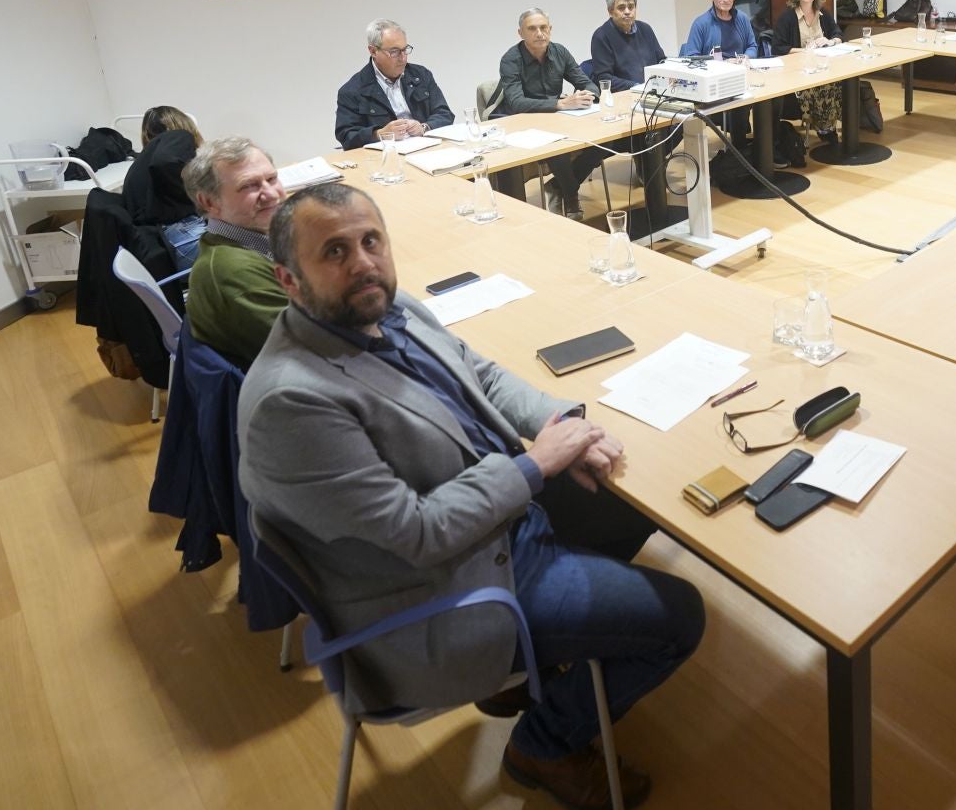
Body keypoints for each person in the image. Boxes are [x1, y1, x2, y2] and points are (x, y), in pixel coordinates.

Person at [237, 185, 703, 807]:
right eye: (335, 251)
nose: (363, 263)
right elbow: (418, 533)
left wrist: (561, 424)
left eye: (371, 241)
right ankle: (545, 743)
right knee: (682, 617)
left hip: (497, 518)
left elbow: (478, 372)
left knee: (632, 492)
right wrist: (538, 466)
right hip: (447, 592)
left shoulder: (383, 308)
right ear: (289, 280)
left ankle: (548, 660)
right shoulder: (291, 402)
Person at [182, 135, 289, 366]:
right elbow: (319, 350)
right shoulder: (234, 273)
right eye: (249, 185)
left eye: (272, 178)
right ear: (209, 202)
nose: (271, 194)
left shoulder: (249, 239)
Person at [497, 8, 603, 220]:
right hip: (524, 122)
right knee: (558, 147)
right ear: (521, 33)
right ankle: (571, 195)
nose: (539, 34)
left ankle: (557, 186)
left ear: (550, 30)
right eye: (532, 29)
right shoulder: (510, 60)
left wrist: (586, 95)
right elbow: (517, 103)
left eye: (543, 28)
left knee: (603, 141)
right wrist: (560, 104)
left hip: (557, 118)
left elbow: (588, 83)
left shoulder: (559, 52)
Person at [334, 19, 455, 150]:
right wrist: (379, 134)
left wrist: (423, 127)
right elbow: (346, 136)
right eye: (394, 52)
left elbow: (445, 114)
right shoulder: (352, 91)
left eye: (405, 50)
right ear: (373, 51)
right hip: (384, 157)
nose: (403, 58)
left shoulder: (421, 75)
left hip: (427, 149)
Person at [123, 105, 205, 265]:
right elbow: (165, 163)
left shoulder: (142, 160)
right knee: (260, 252)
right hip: (184, 239)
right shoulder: (180, 135)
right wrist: (194, 197)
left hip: (166, 246)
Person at [771, 0, 844, 143]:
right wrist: (805, 51)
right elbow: (778, 48)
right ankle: (826, 130)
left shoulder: (822, 13)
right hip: (799, 74)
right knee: (825, 87)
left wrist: (830, 41)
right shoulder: (787, 17)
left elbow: (839, 35)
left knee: (844, 83)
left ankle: (831, 126)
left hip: (823, 68)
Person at [585, 0, 668, 92]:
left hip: (652, 92)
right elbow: (604, 78)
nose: (627, 12)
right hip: (624, 95)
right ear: (610, 11)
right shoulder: (601, 36)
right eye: (621, 8)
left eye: (631, 7)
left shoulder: (645, 29)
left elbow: (661, 61)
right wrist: (637, 86)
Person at [681, 0, 761, 57]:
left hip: (740, 67)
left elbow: (752, 46)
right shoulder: (700, 24)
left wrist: (745, 57)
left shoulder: (743, 18)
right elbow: (692, 55)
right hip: (714, 69)